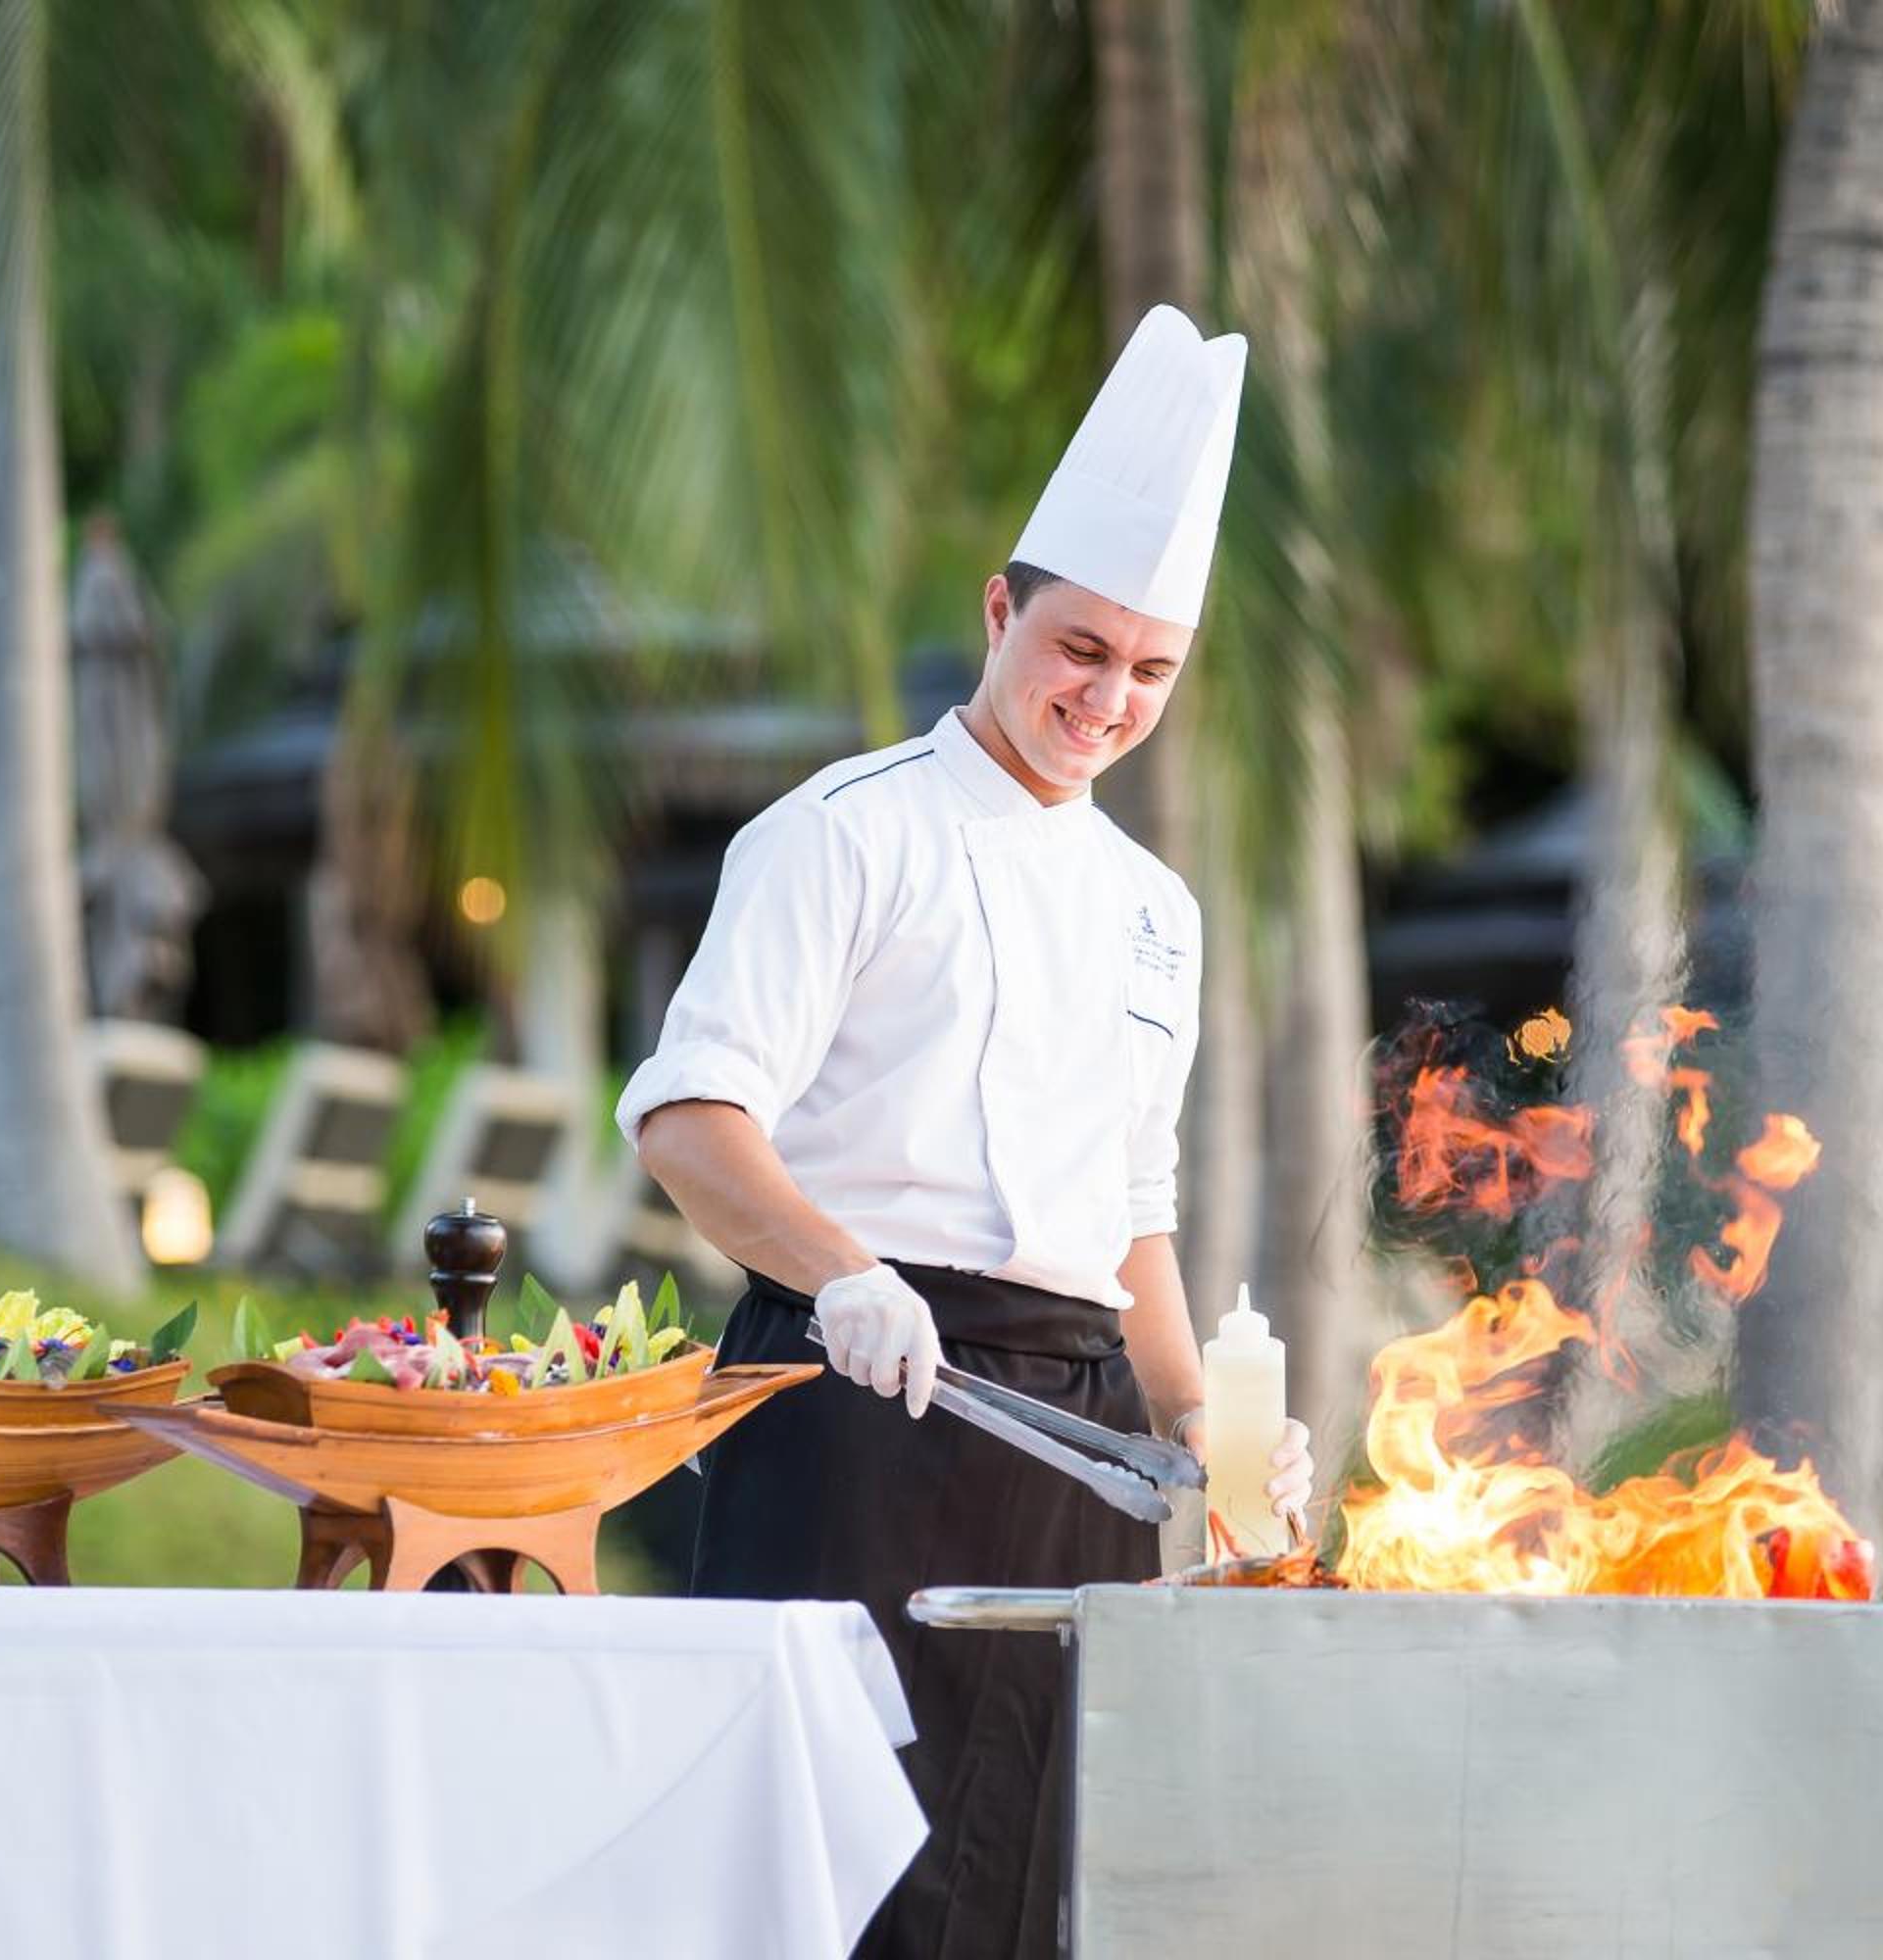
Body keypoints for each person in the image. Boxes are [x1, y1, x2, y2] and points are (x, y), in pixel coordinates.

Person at [619, 305, 1315, 1960]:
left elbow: (1131, 1220)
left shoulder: (1159, 913)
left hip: (1073, 1439)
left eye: (1150, 670)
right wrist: (846, 1275)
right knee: (826, 1881)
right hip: (855, 1396)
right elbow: (689, 1115)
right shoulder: (842, 833)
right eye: (1081, 650)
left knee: (1030, 1878)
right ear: (1000, 610)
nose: (1108, 698)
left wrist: (1210, 1433)